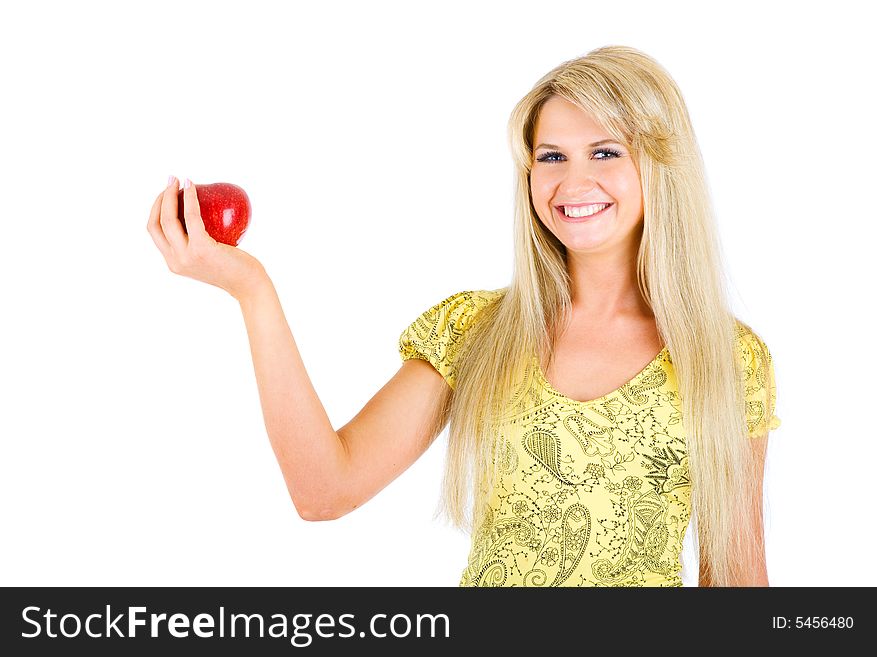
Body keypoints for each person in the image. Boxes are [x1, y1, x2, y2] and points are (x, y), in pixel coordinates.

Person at [147, 44, 781, 588]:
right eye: (552, 156)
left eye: (605, 152)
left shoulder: (725, 358)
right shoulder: (475, 332)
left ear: (659, 168)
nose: (572, 180)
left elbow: (735, 579)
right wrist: (253, 292)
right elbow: (323, 491)